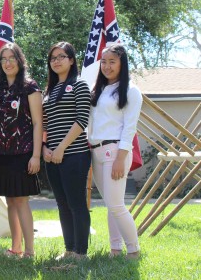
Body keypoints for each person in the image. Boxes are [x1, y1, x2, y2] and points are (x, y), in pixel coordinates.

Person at [0, 43, 42, 258]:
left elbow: (38, 123)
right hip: (2, 154)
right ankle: (16, 247)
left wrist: (36, 156)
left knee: (21, 200)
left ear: (20, 61)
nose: (8, 62)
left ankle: (30, 251)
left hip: (24, 153)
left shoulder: (30, 87)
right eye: (4, 59)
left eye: (12, 58)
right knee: (10, 200)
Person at [88, 44, 142, 259]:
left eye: (112, 62)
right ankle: (115, 249)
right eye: (104, 62)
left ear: (122, 63)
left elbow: (130, 128)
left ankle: (134, 251)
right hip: (96, 150)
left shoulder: (131, 90)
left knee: (116, 205)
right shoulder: (97, 89)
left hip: (116, 151)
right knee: (110, 204)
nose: (107, 66)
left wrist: (121, 158)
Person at [42, 41, 91, 259]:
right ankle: (69, 249)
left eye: (61, 56)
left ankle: (81, 252)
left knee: (76, 203)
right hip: (52, 157)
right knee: (62, 204)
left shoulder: (79, 85)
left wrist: (61, 147)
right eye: (53, 58)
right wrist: (45, 147)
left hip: (75, 154)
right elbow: (45, 123)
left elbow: (82, 119)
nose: (56, 61)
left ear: (71, 60)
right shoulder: (49, 91)